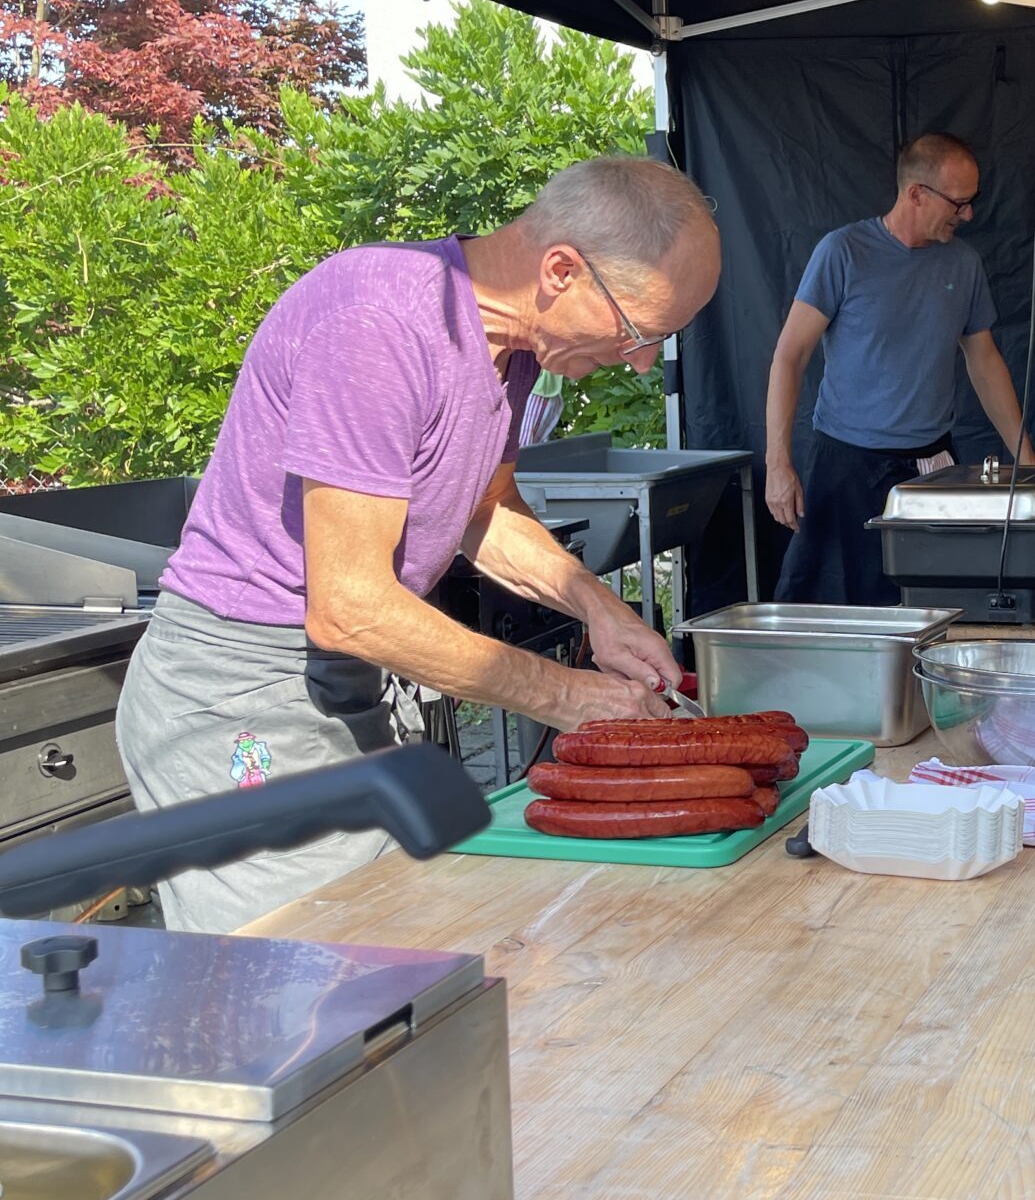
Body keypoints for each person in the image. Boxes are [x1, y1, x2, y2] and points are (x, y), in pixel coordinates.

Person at [116, 155, 721, 932]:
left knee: (398, 942)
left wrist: (598, 607)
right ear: (561, 271)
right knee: (296, 964)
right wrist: (569, 696)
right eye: (640, 332)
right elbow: (351, 607)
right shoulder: (377, 322)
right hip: (240, 690)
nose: (637, 362)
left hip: (352, 681)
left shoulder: (514, 348)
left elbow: (485, 511)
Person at [764, 132, 1035, 605]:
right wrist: (778, 463)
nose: (969, 215)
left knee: (935, 605)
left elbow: (984, 360)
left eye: (972, 201)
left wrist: (1025, 454)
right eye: (959, 203)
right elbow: (790, 355)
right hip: (845, 465)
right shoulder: (843, 252)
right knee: (834, 607)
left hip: (930, 467)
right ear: (916, 193)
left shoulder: (964, 264)